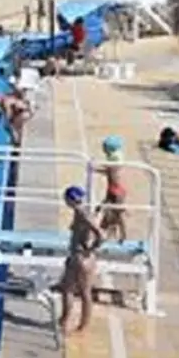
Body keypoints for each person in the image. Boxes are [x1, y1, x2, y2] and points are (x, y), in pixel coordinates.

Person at [58, 185, 104, 335]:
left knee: (81, 292)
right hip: (81, 256)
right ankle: (66, 321)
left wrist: (92, 248)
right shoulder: (82, 212)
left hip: (81, 257)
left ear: (70, 200)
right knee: (69, 289)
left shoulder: (82, 214)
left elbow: (100, 234)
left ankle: (80, 325)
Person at [96, 136, 129, 241]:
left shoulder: (115, 162)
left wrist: (95, 169)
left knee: (118, 214)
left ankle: (123, 235)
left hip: (116, 191)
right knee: (108, 213)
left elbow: (109, 171)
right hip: (112, 189)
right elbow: (108, 171)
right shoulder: (113, 162)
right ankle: (108, 234)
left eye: (104, 147)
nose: (103, 149)